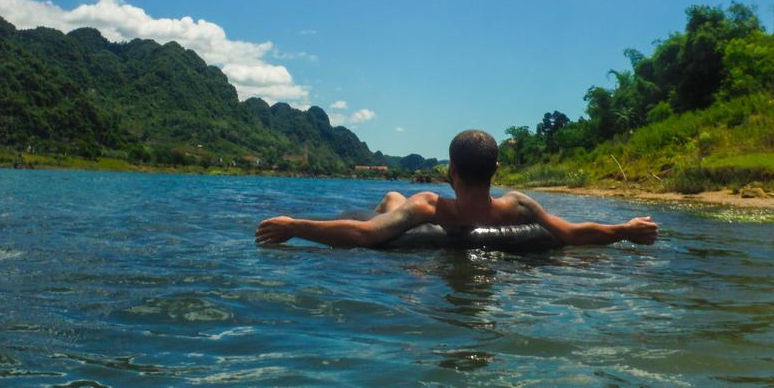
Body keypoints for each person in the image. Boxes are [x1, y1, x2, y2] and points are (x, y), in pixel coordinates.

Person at [255, 129, 659, 249]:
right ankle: (390, 196)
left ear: (450, 172)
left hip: (410, 211)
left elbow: (365, 234)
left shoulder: (429, 206)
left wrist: (294, 225)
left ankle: (390, 195)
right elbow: (570, 232)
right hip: (423, 210)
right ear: (496, 169)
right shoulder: (518, 205)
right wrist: (625, 229)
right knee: (395, 201)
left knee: (397, 202)